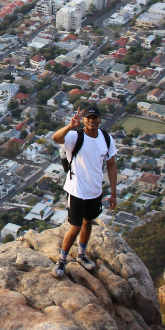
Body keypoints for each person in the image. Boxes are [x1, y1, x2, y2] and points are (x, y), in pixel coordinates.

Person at [50, 105, 117, 277]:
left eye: (94, 118)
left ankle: (81, 254)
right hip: (77, 189)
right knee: (75, 226)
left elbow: (111, 165)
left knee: (88, 222)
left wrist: (114, 193)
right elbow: (55, 137)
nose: (91, 121)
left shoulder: (106, 139)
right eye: (88, 118)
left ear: (99, 119)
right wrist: (70, 126)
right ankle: (62, 260)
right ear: (84, 120)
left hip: (95, 190)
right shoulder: (75, 136)